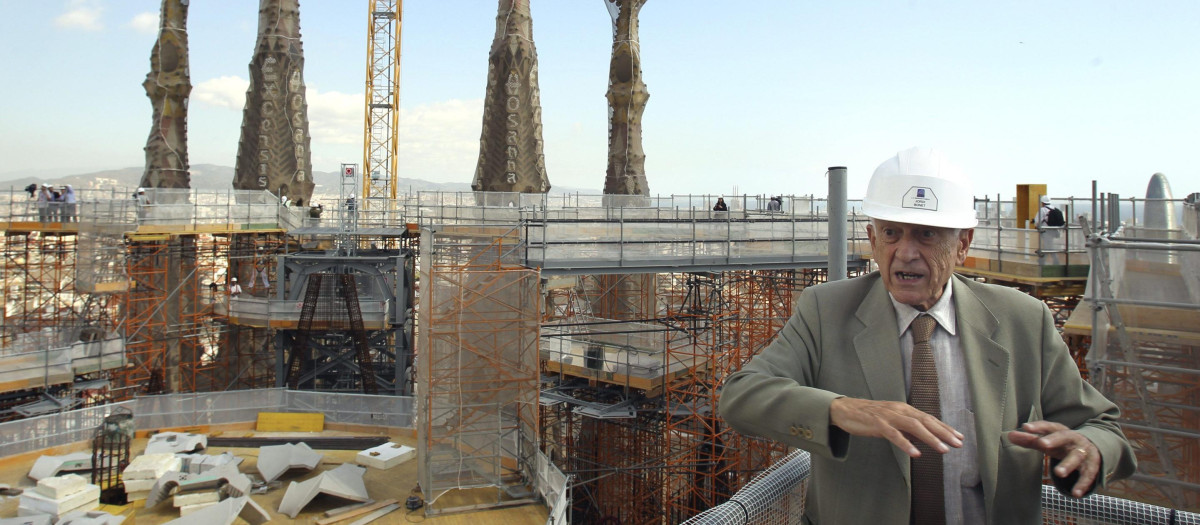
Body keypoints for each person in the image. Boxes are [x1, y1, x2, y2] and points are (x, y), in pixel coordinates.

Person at [719, 147, 1134, 524]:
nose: (906, 252)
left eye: (926, 234)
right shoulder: (826, 312)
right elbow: (742, 396)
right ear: (872, 240)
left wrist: (1088, 448)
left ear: (963, 245)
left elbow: (1101, 425)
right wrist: (840, 410)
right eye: (892, 233)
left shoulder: (1022, 320)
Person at [1036, 194, 1064, 265]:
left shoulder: (1042, 210)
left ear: (1042, 202)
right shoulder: (1055, 209)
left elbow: (1037, 221)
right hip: (1054, 231)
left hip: (1046, 231)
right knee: (1049, 246)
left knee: (1048, 246)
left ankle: (1051, 260)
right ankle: (1044, 260)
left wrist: (1037, 226)